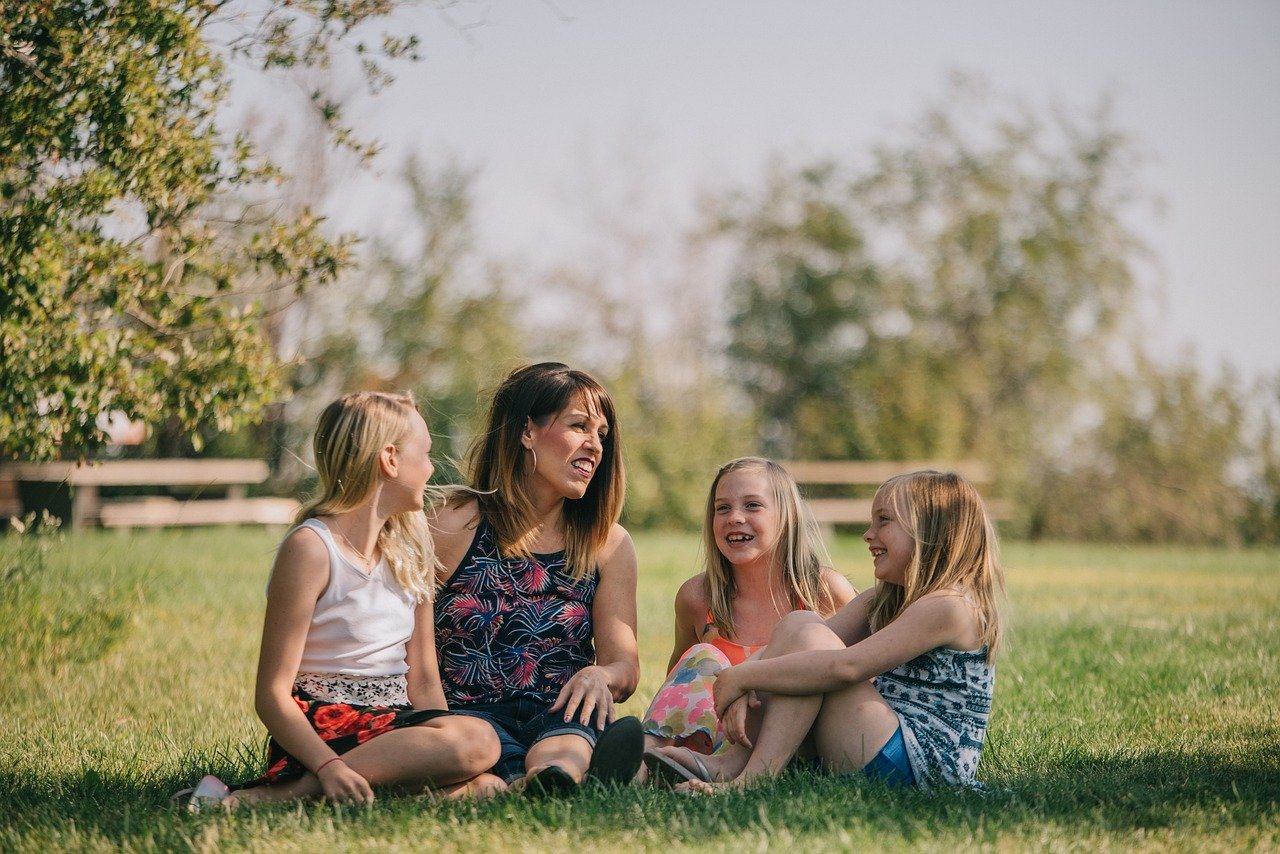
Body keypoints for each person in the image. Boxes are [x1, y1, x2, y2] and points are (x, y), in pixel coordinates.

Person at [179, 392, 501, 811]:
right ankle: (276, 796)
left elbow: (423, 681)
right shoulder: (312, 548)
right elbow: (272, 694)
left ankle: (327, 795)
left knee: (486, 783)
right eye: (425, 454)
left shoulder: (411, 550)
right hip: (323, 731)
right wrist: (328, 765)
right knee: (480, 741)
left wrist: (443, 754)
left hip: (392, 727)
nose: (431, 468)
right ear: (390, 459)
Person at [646, 470, 1005, 792]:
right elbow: (794, 643)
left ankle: (752, 780)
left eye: (884, 521)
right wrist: (740, 682)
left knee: (812, 645)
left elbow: (846, 667)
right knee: (800, 624)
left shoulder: (950, 605)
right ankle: (730, 763)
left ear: (932, 532)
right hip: (877, 745)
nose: (868, 534)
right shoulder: (882, 599)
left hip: (920, 765)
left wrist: (744, 676)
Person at [430, 362, 643, 795]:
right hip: (469, 720)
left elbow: (625, 665)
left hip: (562, 717)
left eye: (602, 434)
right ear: (527, 431)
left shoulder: (607, 543)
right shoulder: (453, 522)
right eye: (579, 426)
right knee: (483, 756)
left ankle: (551, 776)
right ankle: (533, 781)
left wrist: (601, 676)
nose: (595, 445)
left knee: (567, 744)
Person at [640, 457, 855, 760]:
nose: (734, 517)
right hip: (723, 736)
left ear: (786, 517)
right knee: (702, 656)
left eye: (752, 505)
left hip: (795, 740)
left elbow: (859, 679)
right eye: (722, 508)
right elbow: (681, 685)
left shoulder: (824, 592)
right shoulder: (698, 598)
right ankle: (647, 756)